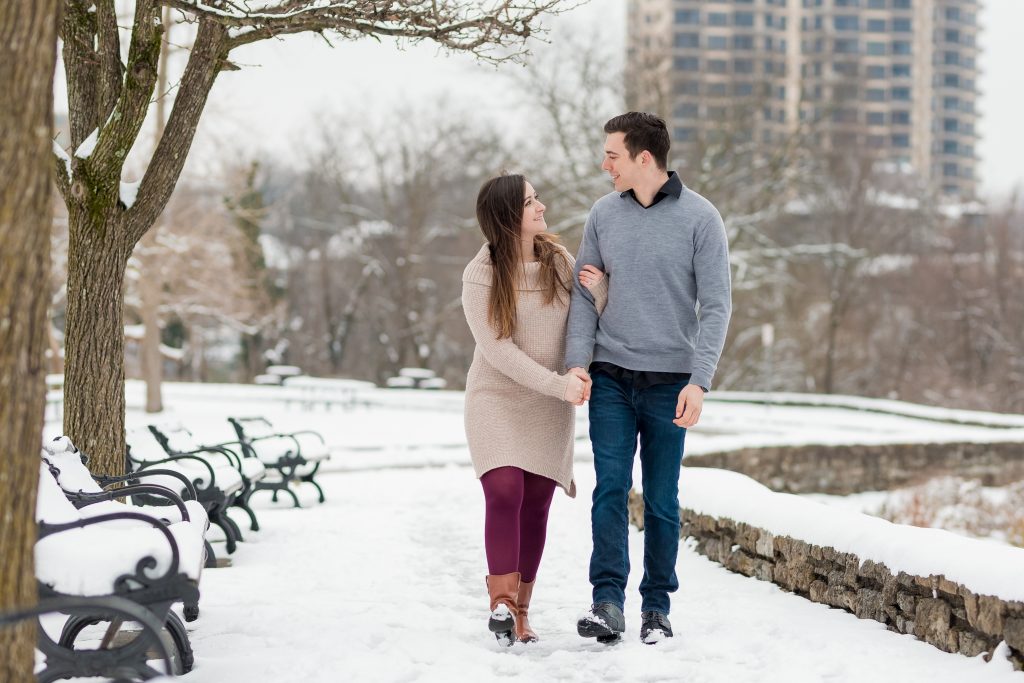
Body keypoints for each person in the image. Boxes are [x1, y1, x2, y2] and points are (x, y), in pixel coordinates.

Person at [566, 112, 732, 644]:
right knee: (610, 487)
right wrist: (577, 364)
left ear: (643, 158)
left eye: (611, 155)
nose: (603, 164)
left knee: (661, 498)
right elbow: (583, 296)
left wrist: (699, 381)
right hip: (611, 376)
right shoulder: (602, 214)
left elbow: (717, 306)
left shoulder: (702, 219)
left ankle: (656, 608)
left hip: (670, 381)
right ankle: (607, 602)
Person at [462, 173, 607, 646]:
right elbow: (497, 350)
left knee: (537, 504)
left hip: (551, 402)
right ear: (508, 216)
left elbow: (588, 318)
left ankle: (522, 612)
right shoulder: (480, 274)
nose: (541, 207)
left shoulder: (560, 262)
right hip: (497, 397)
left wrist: (601, 294)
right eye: (530, 202)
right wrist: (556, 384)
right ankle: (501, 605)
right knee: (504, 489)